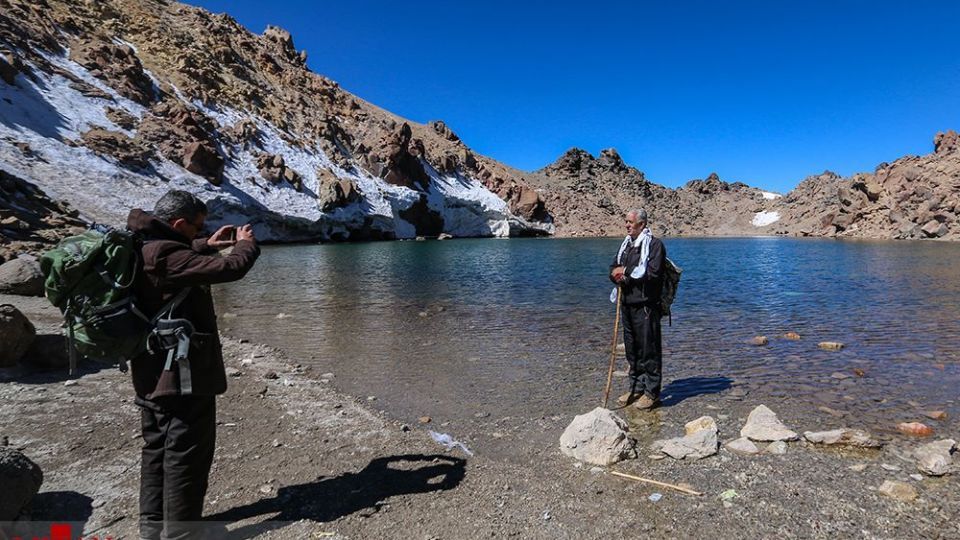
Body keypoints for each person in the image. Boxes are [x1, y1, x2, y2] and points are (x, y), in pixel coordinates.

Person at [126, 190, 260, 540]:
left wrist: (205, 245)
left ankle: (153, 528)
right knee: (186, 454)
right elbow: (232, 268)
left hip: (151, 370)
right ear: (178, 223)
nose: (200, 232)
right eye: (196, 227)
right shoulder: (167, 254)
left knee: (157, 448)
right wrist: (245, 245)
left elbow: (178, 261)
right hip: (180, 375)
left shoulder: (143, 244)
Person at [609, 209, 666, 410]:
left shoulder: (654, 245)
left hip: (645, 306)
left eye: (630, 222)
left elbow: (653, 274)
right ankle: (636, 387)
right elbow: (613, 267)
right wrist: (617, 275)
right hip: (627, 304)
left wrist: (625, 271)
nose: (627, 225)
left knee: (649, 348)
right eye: (626, 221)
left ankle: (652, 393)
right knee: (632, 350)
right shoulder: (626, 245)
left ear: (642, 224)